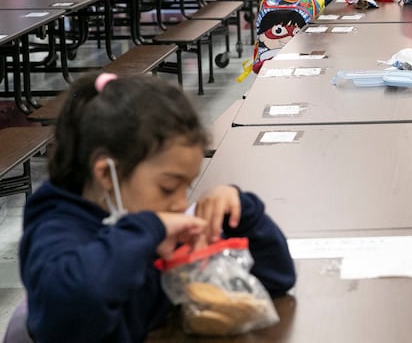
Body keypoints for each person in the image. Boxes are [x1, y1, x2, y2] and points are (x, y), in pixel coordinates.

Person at [17, 73, 296, 342]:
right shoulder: (55, 230)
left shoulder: (147, 221)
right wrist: (148, 229)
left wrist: (241, 212)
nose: (180, 203)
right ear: (106, 174)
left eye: (187, 187)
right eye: (168, 187)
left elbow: (276, 278)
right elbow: (74, 303)